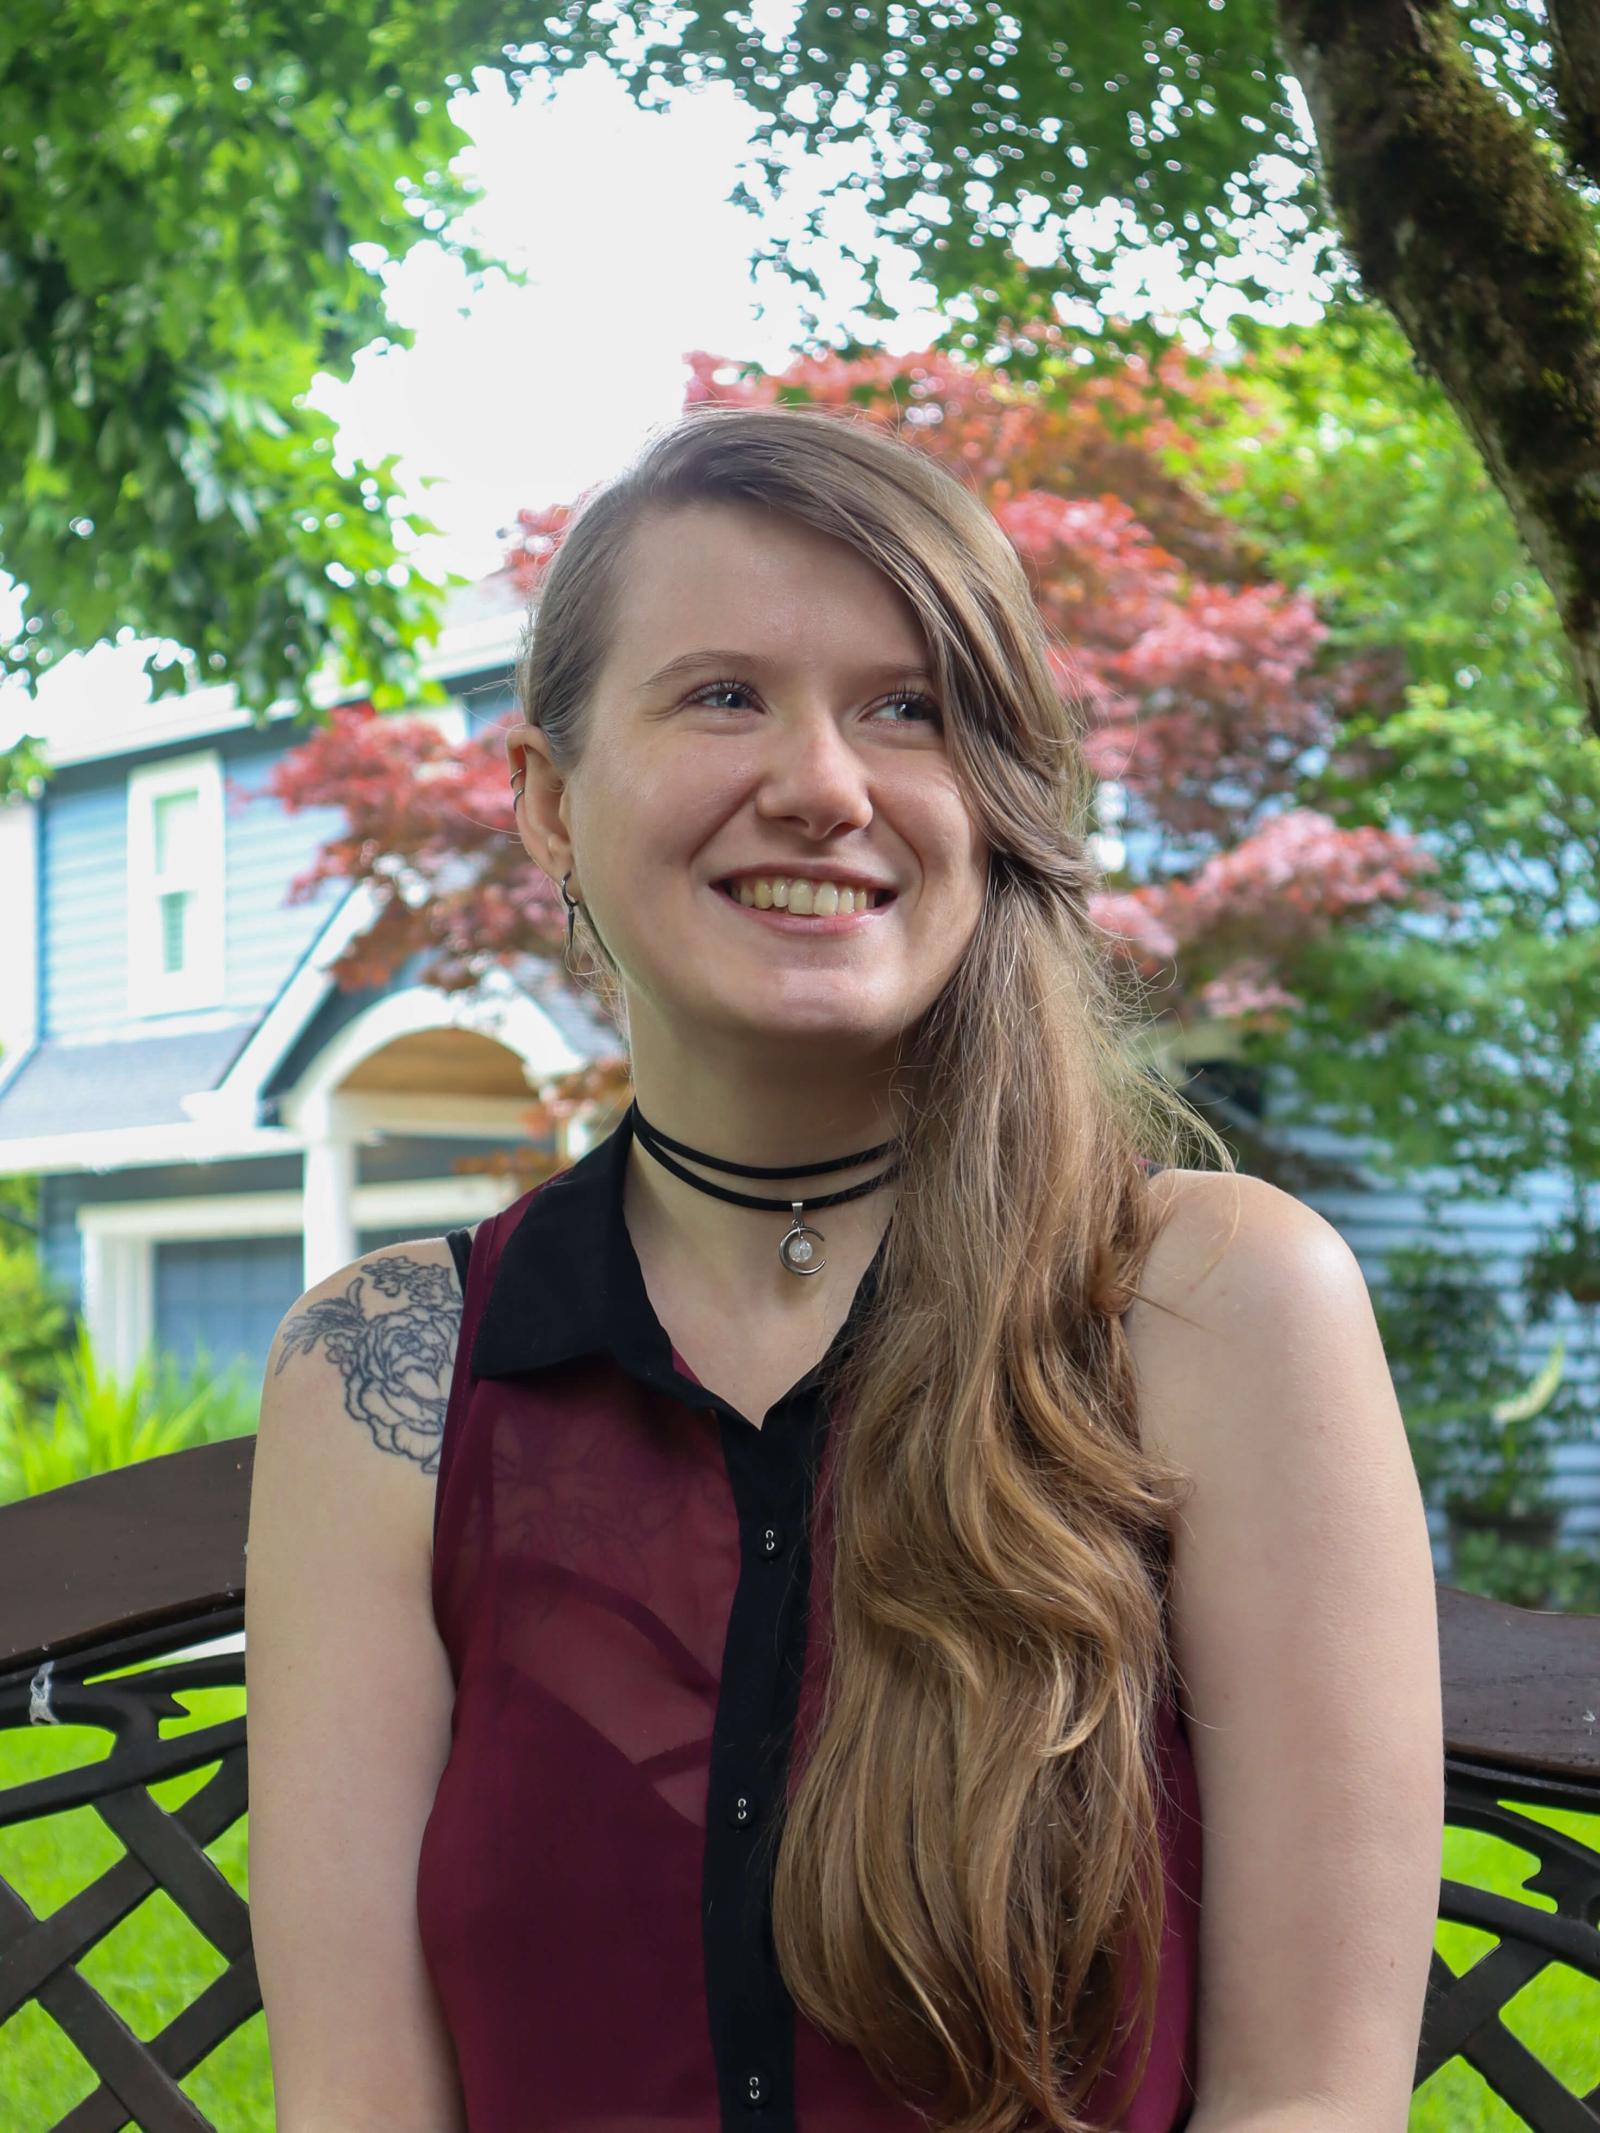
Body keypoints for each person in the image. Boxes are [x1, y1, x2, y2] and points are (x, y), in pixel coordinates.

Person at [246, 402, 1444, 2133]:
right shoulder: (392, 1379)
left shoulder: (1215, 1305)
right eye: (723, 693)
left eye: (909, 709)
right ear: (545, 797)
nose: (822, 784)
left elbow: (1311, 2105)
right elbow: (359, 2108)